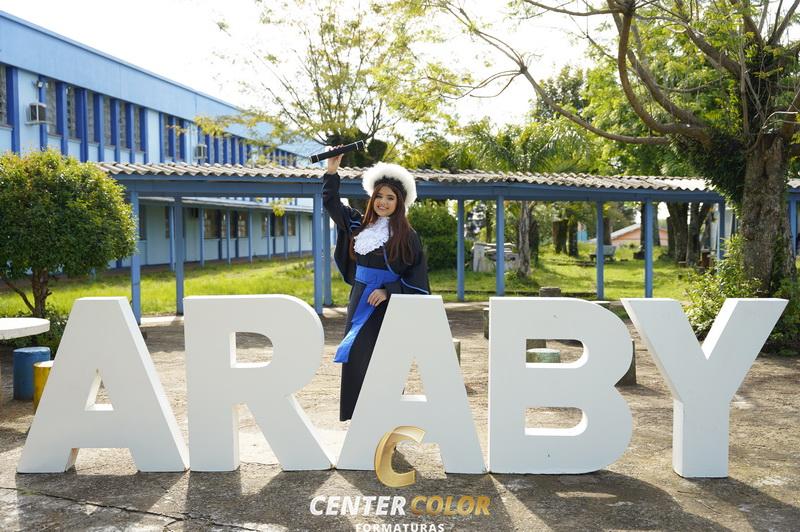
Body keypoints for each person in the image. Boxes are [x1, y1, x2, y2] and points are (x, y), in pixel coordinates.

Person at [323, 149, 430, 422]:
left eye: (390, 198)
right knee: (356, 356)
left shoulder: (407, 236)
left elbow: (418, 278)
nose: (383, 202)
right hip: (359, 298)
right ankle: (361, 419)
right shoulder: (359, 225)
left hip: (386, 306)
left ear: (400, 202)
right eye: (379, 196)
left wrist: (388, 291)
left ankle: (387, 418)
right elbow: (332, 204)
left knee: (385, 359)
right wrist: (332, 172)